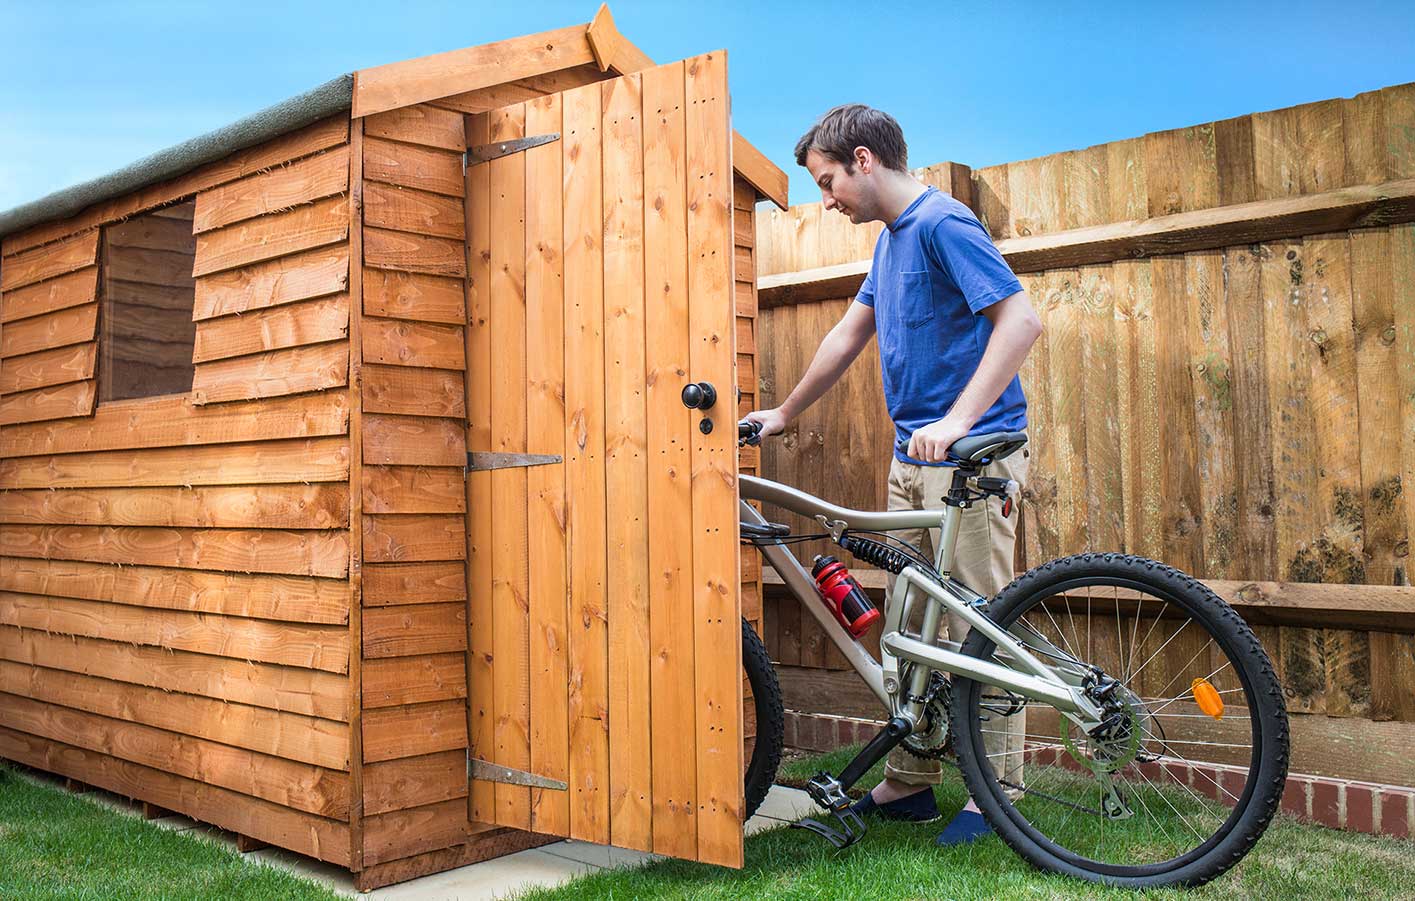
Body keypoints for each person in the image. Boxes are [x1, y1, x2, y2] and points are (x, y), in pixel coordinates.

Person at [745, 104, 1042, 846]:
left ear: (864, 160)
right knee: (910, 631)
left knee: (977, 625)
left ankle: (995, 795)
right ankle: (910, 781)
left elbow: (1020, 321)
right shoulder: (889, 243)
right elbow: (850, 333)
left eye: (827, 182)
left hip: (971, 460)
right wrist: (782, 412)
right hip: (913, 460)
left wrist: (957, 422)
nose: (827, 199)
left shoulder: (942, 224)